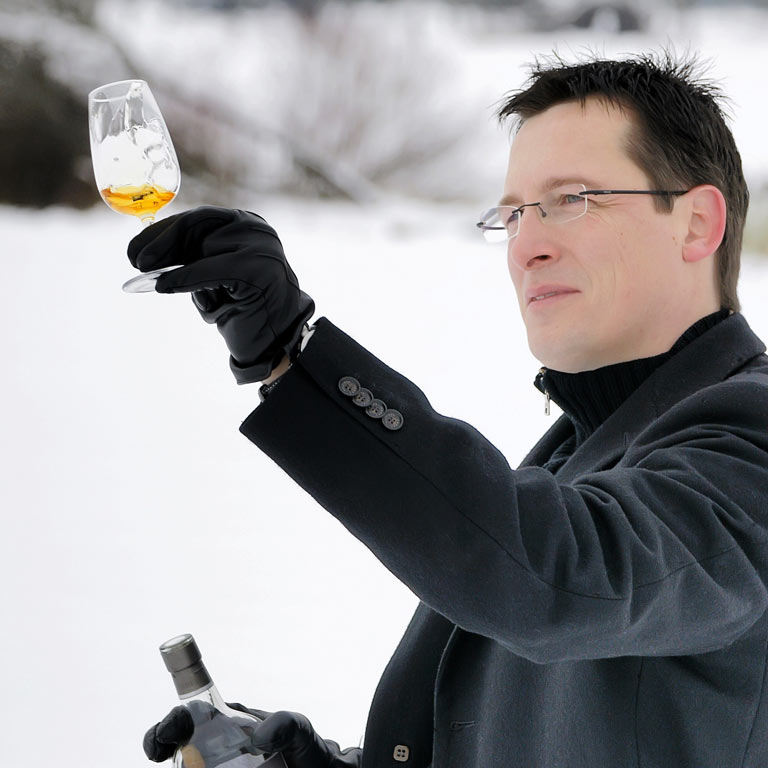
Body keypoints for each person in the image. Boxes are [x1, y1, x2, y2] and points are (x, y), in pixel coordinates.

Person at [135, 52, 768, 768]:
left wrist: (294, 355)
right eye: (513, 213)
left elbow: (555, 578)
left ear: (696, 223)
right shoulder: (582, 448)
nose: (527, 244)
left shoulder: (751, 446)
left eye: (572, 199)